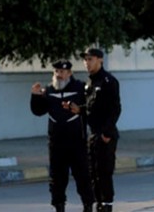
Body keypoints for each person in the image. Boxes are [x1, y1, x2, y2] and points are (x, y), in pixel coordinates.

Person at [31, 59, 93, 212]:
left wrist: (80, 109)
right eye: (57, 71)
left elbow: (92, 108)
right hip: (56, 143)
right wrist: (35, 96)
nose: (60, 75)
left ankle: (88, 205)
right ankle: (58, 206)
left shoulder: (80, 88)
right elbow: (38, 111)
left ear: (70, 73)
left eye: (63, 72)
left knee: (82, 176)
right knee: (57, 178)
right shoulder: (49, 90)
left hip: (77, 141)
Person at [74, 48, 120, 212]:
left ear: (100, 60)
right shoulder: (90, 83)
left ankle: (106, 205)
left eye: (90, 59)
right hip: (93, 134)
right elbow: (91, 109)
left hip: (105, 134)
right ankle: (98, 204)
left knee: (104, 172)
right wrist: (78, 109)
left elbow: (115, 109)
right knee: (92, 172)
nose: (87, 63)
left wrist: (106, 134)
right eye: (85, 60)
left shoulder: (108, 81)